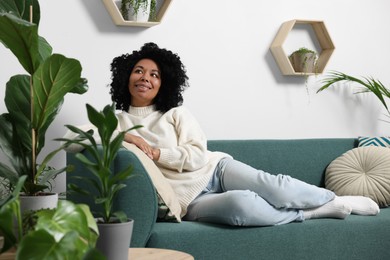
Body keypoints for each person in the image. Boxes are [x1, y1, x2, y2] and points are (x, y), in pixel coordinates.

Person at [67, 42, 380, 226]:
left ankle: (337, 200)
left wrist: (158, 152)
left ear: (165, 83)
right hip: (187, 202)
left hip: (214, 169)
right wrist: (123, 137)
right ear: (126, 77)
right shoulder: (113, 120)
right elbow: (72, 139)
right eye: (138, 71)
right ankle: (313, 213)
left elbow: (196, 154)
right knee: (241, 207)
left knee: (274, 186)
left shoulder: (176, 113)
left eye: (154, 74)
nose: (145, 78)